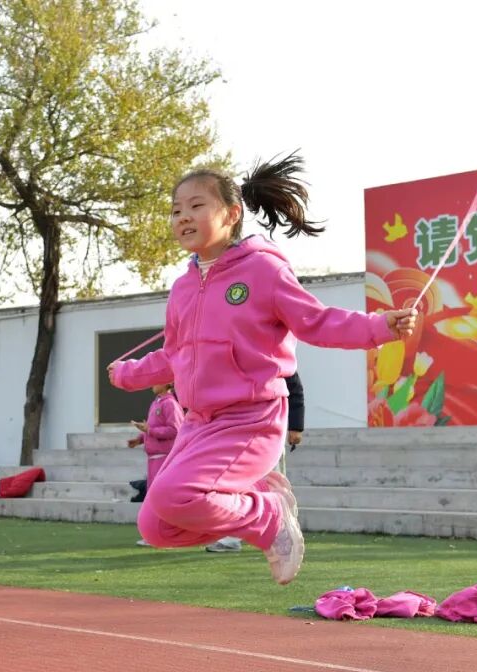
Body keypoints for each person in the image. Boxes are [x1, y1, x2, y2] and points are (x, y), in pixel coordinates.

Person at [108, 153, 416, 584]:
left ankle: (267, 515)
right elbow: (174, 357)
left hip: (251, 418)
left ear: (232, 214)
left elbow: (316, 321)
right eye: (176, 210)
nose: (183, 217)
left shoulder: (264, 270)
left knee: (176, 495)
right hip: (198, 423)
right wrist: (126, 374)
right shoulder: (182, 288)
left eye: (196, 206)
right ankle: (259, 500)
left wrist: (380, 326)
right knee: (155, 526)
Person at [205, 372, 303, 553]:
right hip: (240, 432)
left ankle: (282, 531)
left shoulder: (277, 361)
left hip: (270, 432)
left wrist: (296, 426)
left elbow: (294, 388)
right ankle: (231, 536)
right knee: (234, 485)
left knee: (273, 483)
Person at [127, 383, 184, 545]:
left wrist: (149, 430)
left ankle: (167, 535)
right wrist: (139, 439)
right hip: (153, 458)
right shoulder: (156, 403)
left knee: (162, 497)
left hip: (164, 458)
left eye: (157, 380)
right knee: (153, 498)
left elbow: (175, 430)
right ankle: (154, 535)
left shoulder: (170, 404)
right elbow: (152, 428)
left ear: (167, 383)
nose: (152, 383)